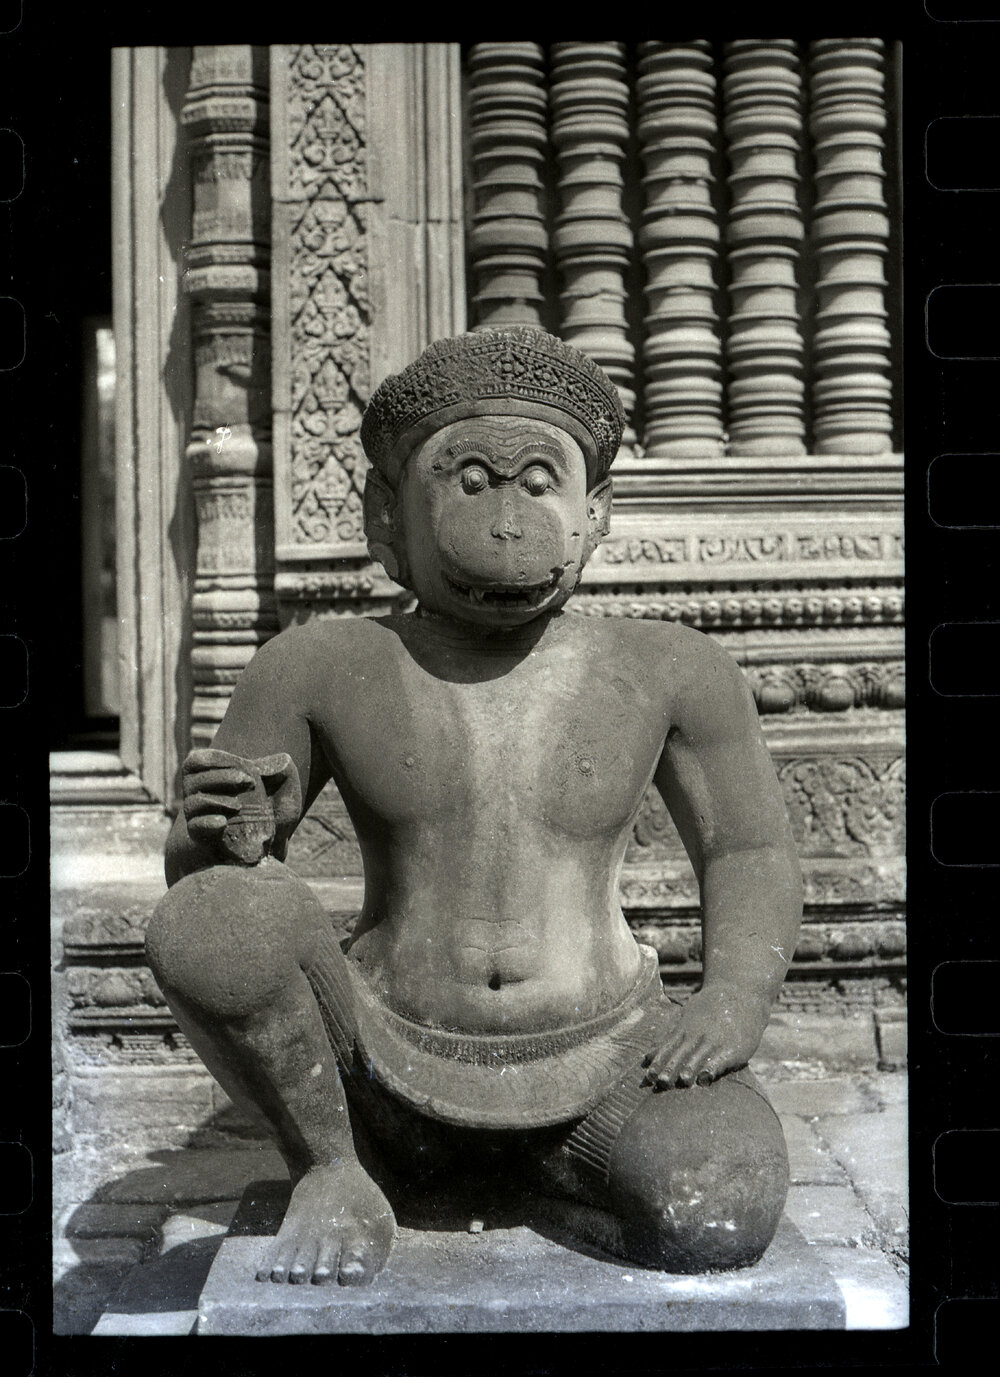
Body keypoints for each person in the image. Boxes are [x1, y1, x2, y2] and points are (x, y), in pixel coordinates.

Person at [147, 326, 802, 1287]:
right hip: (376, 1064)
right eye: (469, 482)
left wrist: (734, 997)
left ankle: (543, 1168)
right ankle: (335, 1169)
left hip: (605, 1056)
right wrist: (207, 834)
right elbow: (221, 891)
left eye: (540, 483)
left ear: (596, 511)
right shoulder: (321, 665)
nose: (507, 521)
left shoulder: (670, 667)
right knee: (208, 924)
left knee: (723, 1202)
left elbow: (746, 847)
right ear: (388, 519)